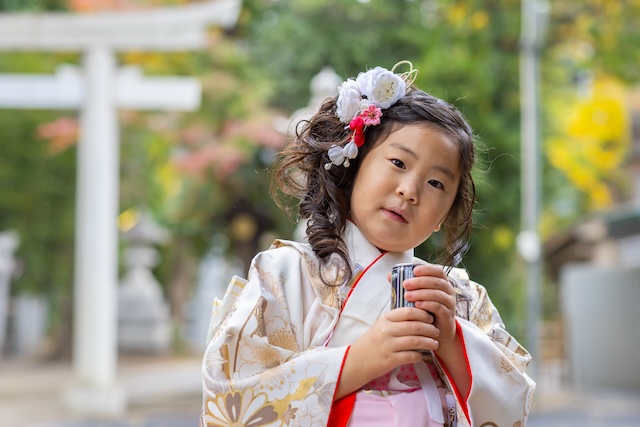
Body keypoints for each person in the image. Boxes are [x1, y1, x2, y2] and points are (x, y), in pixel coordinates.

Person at [200, 61, 535, 427]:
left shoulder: (461, 299)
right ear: (354, 166)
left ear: (444, 215)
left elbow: (513, 404)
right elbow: (230, 395)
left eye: (436, 183)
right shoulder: (284, 274)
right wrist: (360, 359)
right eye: (397, 162)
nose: (409, 191)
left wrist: (454, 340)